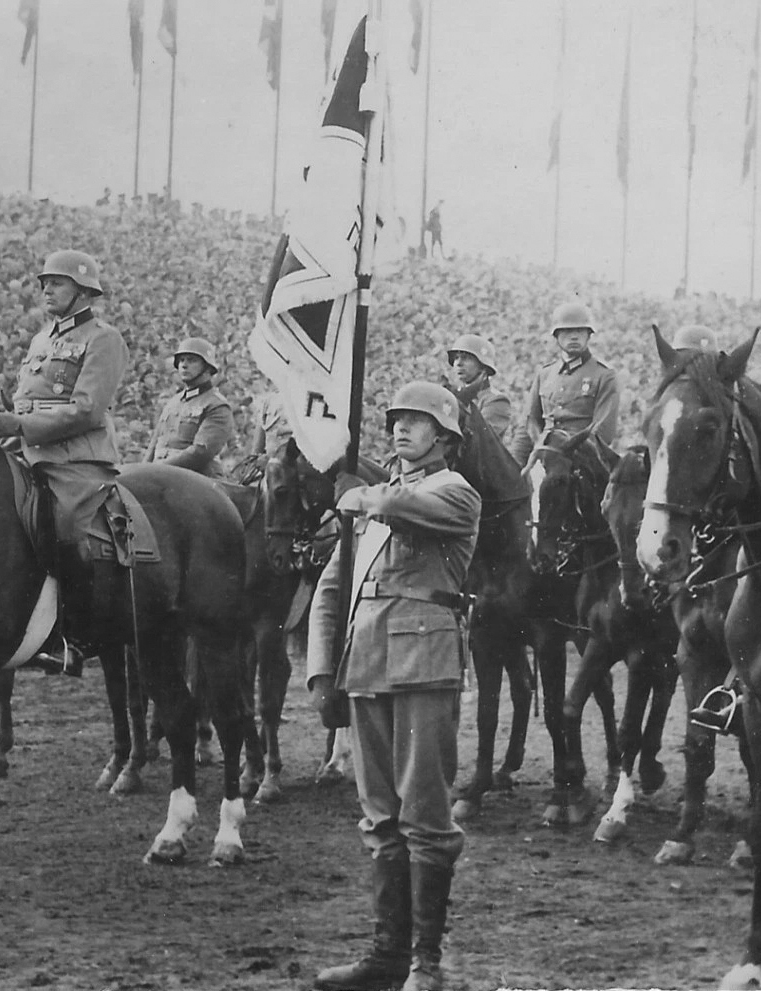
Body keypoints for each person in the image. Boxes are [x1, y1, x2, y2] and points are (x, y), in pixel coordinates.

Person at [307, 382, 480, 991]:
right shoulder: (376, 504)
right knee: (379, 816)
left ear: (445, 437)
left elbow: (401, 505)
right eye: (397, 420)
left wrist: (361, 494)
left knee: (424, 814)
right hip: (366, 664)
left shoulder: (453, 492)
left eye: (417, 420)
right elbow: (334, 590)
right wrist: (322, 669)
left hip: (424, 661)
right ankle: (387, 955)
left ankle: (425, 962)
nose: (402, 428)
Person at [0, 249, 129, 676]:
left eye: (57, 282)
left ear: (83, 291)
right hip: (27, 450)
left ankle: (73, 638)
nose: (46, 289)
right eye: (44, 282)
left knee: (65, 528)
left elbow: (87, 409)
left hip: (76, 459)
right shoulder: (42, 339)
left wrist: (22, 425)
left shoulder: (103, 338)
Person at [509, 301, 619, 466]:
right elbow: (529, 424)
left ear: (589, 335)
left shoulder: (604, 375)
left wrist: (566, 456)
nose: (574, 336)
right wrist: (515, 464)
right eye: (567, 331)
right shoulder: (545, 374)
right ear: (556, 336)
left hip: (583, 461)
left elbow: (603, 431)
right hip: (543, 456)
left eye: (580, 331)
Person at [143, 336, 235, 477]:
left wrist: (158, 469)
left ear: (207, 367)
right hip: (160, 476)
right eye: (181, 360)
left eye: (191, 360)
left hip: (196, 479)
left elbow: (200, 452)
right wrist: (142, 471)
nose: (184, 365)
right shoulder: (173, 402)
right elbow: (154, 445)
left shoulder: (217, 405)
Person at [444, 333, 511, 438]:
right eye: (456, 358)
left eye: (465, 358)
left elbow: (480, 438)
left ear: (482, 365)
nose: (458, 363)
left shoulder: (496, 400)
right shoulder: (451, 396)